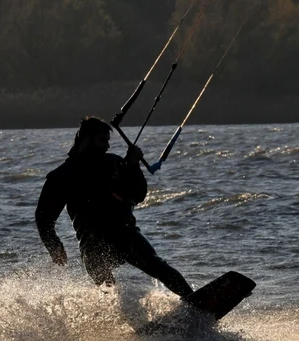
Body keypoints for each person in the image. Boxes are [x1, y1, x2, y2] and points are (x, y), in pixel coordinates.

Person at [35, 116, 194, 298]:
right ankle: (117, 322)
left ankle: (194, 301)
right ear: (86, 139)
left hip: (124, 234)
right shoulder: (62, 176)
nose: (107, 146)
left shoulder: (113, 163)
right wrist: (53, 244)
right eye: (103, 141)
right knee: (107, 285)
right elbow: (43, 217)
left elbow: (138, 195)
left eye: (108, 141)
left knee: (158, 266)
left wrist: (133, 165)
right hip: (92, 244)